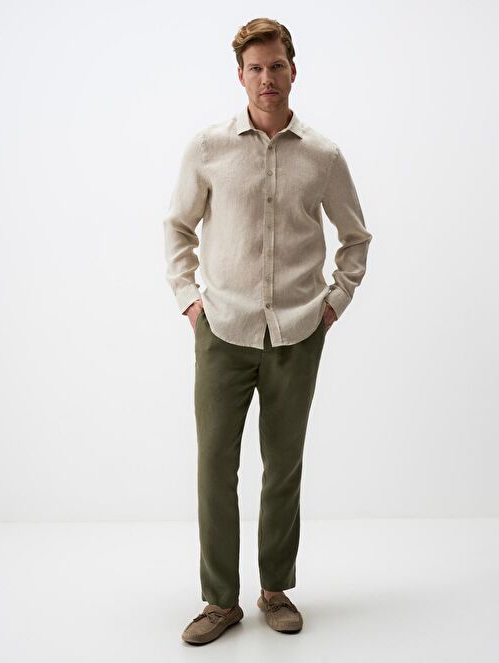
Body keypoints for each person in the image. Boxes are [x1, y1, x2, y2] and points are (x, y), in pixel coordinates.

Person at [163, 17, 373, 645]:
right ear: (240, 76)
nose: (266, 78)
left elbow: (355, 239)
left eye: (275, 66)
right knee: (214, 468)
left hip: (296, 333)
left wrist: (331, 305)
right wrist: (190, 302)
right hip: (221, 331)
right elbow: (177, 228)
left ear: (292, 70)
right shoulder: (208, 148)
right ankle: (219, 601)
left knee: (282, 467)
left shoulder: (323, 156)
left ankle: (275, 589)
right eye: (254, 68)